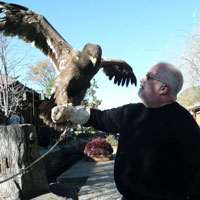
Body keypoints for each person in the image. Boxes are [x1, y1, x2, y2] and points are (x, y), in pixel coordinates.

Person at [51, 62, 200, 200]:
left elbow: (196, 175)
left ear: (163, 88)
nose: (142, 79)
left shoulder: (184, 124)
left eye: (149, 77)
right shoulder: (131, 112)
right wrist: (71, 112)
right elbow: (100, 117)